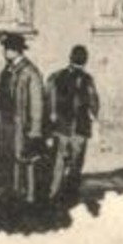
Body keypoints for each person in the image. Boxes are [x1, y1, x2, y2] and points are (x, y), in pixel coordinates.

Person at [0, 33, 46, 208]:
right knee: (11, 158)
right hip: (8, 124)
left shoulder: (30, 72)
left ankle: (29, 197)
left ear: (15, 50)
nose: (4, 52)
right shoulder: (7, 71)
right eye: (5, 48)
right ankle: (15, 194)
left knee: (25, 159)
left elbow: (37, 104)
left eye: (7, 48)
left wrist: (35, 130)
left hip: (23, 125)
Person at [46, 45, 100, 206]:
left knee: (58, 165)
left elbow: (49, 101)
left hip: (62, 129)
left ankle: (53, 196)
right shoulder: (87, 79)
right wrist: (92, 117)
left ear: (70, 57)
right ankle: (70, 197)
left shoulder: (56, 77)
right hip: (78, 130)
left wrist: (51, 123)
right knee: (75, 165)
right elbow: (94, 103)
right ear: (86, 60)